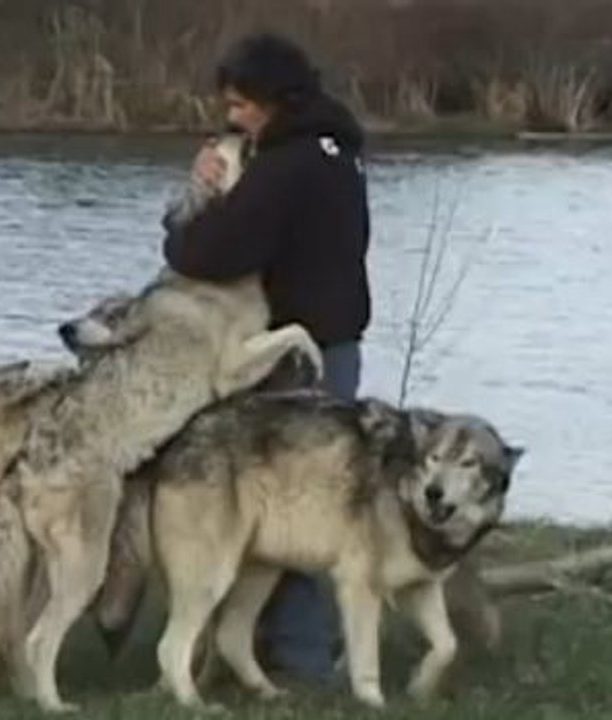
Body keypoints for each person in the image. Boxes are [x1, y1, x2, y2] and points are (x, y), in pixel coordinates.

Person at [160, 31, 372, 685]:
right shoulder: (336, 151)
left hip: (287, 358)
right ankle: (282, 647)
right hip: (337, 348)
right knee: (321, 501)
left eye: (241, 105)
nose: (231, 117)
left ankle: (298, 655)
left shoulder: (284, 171)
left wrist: (200, 201)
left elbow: (207, 254)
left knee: (283, 507)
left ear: (275, 100)